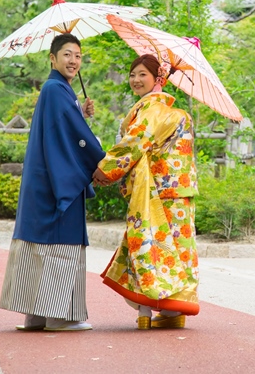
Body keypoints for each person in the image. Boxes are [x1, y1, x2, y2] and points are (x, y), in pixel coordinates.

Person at [0, 33, 105, 332]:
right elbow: (75, 137)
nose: (74, 61)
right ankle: (59, 316)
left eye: (78, 56)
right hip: (59, 180)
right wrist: (100, 160)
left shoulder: (57, 90)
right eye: (67, 54)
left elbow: (63, 128)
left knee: (38, 243)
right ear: (52, 58)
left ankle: (35, 316)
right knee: (61, 242)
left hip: (43, 180)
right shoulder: (57, 90)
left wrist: (80, 112)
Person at [92, 53, 199, 330]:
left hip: (156, 191)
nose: (136, 80)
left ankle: (145, 312)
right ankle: (174, 312)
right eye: (133, 74)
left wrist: (105, 170)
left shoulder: (152, 110)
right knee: (178, 249)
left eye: (143, 74)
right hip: (181, 190)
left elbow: (134, 144)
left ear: (158, 79)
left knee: (148, 246)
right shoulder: (179, 114)